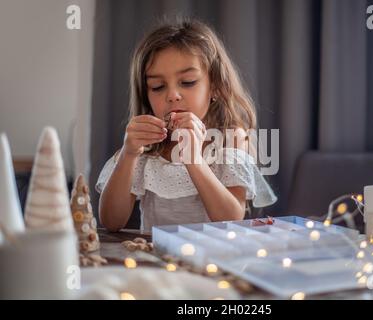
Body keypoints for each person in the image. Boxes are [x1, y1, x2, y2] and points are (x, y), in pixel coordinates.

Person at [96, 19, 277, 232]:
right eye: (158, 86)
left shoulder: (231, 137)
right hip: (155, 261)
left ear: (216, 87)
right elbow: (111, 222)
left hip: (211, 260)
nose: (172, 95)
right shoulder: (146, 145)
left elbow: (231, 218)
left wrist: (194, 160)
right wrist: (128, 155)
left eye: (188, 82)